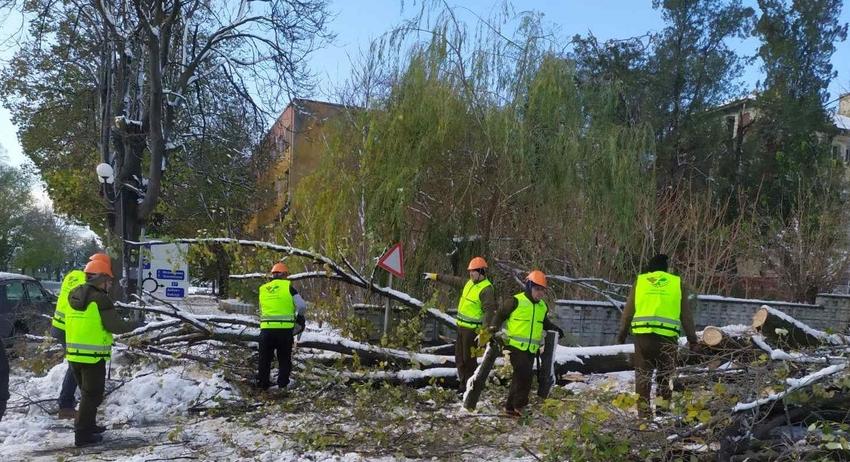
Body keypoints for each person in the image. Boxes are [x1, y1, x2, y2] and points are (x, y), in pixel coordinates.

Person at [66, 258, 140, 447]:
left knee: (86, 394)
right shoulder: (100, 298)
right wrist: (138, 326)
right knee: (93, 395)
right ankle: (83, 436)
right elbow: (114, 326)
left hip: (74, 353)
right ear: (101, 279)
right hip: (92, 356)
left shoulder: (74, 295)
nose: (109, 285)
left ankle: (89, 426)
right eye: (108, 281)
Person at [616, 253, 698, 419]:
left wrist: (622, 334)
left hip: (643, 338)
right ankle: (662, 414)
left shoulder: (641, 282)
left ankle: (644, 418)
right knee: (665, 377)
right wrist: (692, 339)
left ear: (650, 268)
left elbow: (628, 312)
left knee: (643, 379)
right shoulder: (676, 283)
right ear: (665, 269)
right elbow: (686, 315)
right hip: (668, 339)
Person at [490, 270, 564, 416]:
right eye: (537, 289)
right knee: (525, 374)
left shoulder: (542, 306)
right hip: (514, 347)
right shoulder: (515, 301)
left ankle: (510, 407)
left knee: (519, 376)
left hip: (531, 349)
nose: (540, 293)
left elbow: (544, 323)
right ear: (529, 287)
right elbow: (500, 315)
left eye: (542, 290)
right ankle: (520, 405)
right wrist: (492, 330)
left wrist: (556, 329)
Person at [51, 253, 111, 419]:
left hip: (60, 325)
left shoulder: (73, 275)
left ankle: (75, 401)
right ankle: (67, 404)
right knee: (77, 363)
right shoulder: (85, 282)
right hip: (69, 328)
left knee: (75, 363)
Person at [423, 256, 496, 393]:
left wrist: (484, 333)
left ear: (481, 272)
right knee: (460, 359)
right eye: (470, 271)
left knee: (469, 361)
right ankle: (463, 385)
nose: (470, 274)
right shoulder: (469, 283)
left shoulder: (486, 289)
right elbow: (453, 280)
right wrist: (435, 276)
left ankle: (470, 389)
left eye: (473, 271)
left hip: (472, 331)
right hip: (461, 328)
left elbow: (489, 312)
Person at [257, 262, 307, 390]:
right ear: (285, 275)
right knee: (284, 359)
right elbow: (302, 306)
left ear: (272, 275)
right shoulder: (289, 288)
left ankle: (263, 385)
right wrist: (300, 319)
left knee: (264, 359)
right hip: (284, 331)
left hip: (266, 330)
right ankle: (282, 385)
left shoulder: (263, 289)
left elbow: (262, 309)